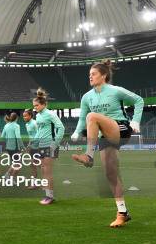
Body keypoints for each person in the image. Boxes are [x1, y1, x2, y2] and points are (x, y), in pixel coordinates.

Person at [70, 60, 143, 227]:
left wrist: (136, 121)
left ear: (104, 75)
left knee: (92, 116)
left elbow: (139, 100)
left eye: (93, 74)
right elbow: (82, 118)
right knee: (111, 174)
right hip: (105, 136)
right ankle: (122, 212)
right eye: (89, 74)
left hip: (121, 128)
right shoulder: (86, 97)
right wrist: (76, 132)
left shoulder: (115, 91)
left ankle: (88, 156)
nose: (90, 76)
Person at [32, 88, 65, 205]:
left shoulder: (50, 114)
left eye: (36, 105)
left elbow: (61, 128)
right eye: (34, 106)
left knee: (47, 171)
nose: (34, 108)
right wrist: (34, 142)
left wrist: (54, 144)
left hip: (50, 145)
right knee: (43, 169)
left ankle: (50, 197)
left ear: (43, 104)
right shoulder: (38, 116)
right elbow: (40, 131)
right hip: (41, 145)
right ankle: (47, 194)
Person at [1, 112, 24, 177]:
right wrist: (22, 146)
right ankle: (11, 178)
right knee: (18, 164)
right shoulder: (16, 126)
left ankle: (7, 176)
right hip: (15, 148)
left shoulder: (6, 125)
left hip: (8, 148)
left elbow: (2, 136)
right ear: (16, 118)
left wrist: (8, 141)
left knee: (15, 163)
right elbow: (18, 137)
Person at [23, 109, 41, 185]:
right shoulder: (26, 125)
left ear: (30, 116)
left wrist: (33, 142)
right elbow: (31, 136)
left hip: (38, 147)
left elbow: (39, 134)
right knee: (33, 164)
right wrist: (29, 145)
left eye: (25, 116)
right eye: (23, 116)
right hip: (32, 147)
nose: (24, 117)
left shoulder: (34, 123)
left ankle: (43, 181)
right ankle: (35, 183)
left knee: (36, 164)